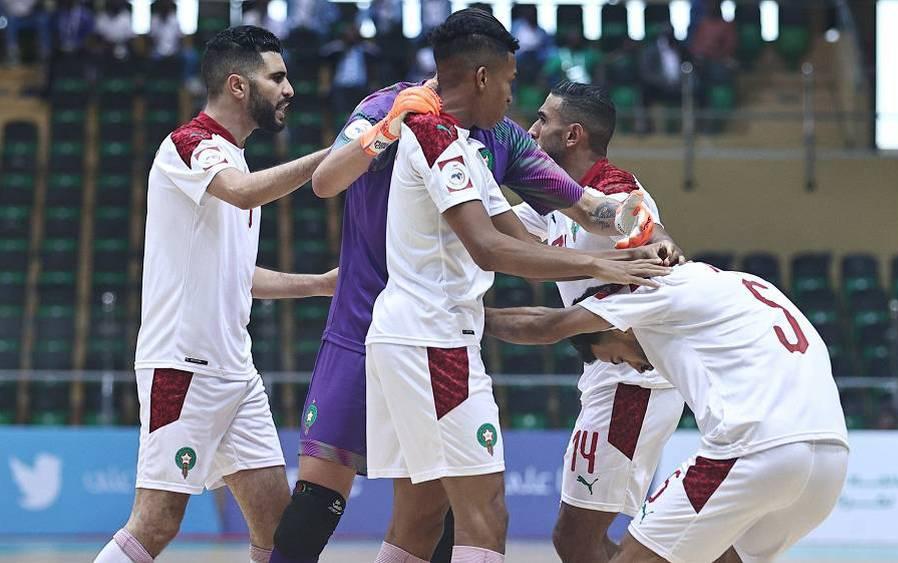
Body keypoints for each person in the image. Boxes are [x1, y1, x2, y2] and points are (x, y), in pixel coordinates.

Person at [269, 8, 677, 563]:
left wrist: (646, 230)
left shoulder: (491, 139)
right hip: (401, 325)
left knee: (427, 512)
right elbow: (325, 182)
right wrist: (608, 269)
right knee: (459, 513)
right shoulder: (408, 116)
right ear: (484, 75)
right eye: (511, 81)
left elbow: (580, 207)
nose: (517, 100)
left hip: (420, 326)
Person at [93, 25, 437, 563]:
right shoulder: (189, 147)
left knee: (279, 534)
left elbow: (241, 277)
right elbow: (243, 193)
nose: (289, 89)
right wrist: (351, 146)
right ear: (237, 85)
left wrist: (323, 284)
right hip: (182, 367)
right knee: (157, 522)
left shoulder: (233, 156)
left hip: (235, 372)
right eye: (276, 77)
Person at [484, 262, 850, 563]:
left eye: (616, 357)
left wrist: (465, 315)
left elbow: (545, 325)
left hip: (752, 449)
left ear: (610, 321)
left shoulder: (647, 292)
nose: (631, 366)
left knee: (632, 556)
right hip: (831, 463)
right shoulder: (744, 283)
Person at [515, 80, 686, 562]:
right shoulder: (554, 198)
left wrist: (661, 245)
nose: (531, 129)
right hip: (607, 374)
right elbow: (492, 235)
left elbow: (646, 231)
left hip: (634, 381)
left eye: (542, 120)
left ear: (572, 136)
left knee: (575, 538)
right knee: (598, 538)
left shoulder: (613, 188)